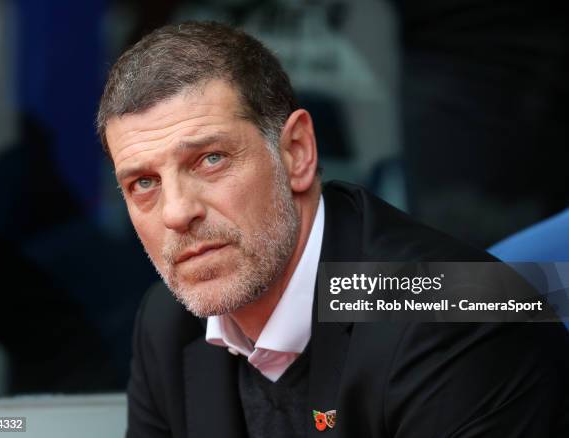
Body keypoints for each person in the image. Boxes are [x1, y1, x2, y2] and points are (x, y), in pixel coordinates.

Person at [96, 21, 569, 438]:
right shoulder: (169, 323)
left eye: (211, 159)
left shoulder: (460, 314)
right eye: (143, 183)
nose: (177, 212)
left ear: (297, 153)